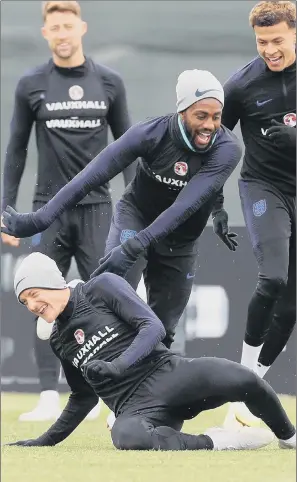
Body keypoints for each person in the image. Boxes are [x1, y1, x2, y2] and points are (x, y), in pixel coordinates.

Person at [1, 68, 242, 364]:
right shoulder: (150, 134)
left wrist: (135, 246)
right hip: (135, 217)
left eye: (216, 117)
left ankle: (140, 405)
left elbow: (185, 206)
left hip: (180, 239)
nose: (210, 125)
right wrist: (39, 219)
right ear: (182, 111)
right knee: (112, 302)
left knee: (161, 333)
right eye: (201, 116)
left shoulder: (228, 149)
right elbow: (90, 176)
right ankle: (76, 306)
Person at [5, 252, 296, 451]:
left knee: (244, 379)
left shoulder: (101, 288)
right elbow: (83, 397)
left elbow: (152, 328)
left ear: (50, 281)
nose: (31, 306)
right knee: (126, 436)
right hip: (135, 408)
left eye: (33, 295)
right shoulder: (58, 339)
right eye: (24, 303)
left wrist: (117, 365)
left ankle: (289, 436)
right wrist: (45, 441)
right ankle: (218, 441)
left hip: (170, 374)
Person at [1, 0, 136, 422]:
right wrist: (7, 211)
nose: (62, 33)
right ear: (46, 33)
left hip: (99, 210)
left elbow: (129, 147)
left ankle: (115, 397)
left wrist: (138, 206)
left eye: (68, 26)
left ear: (82, 28)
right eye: (54, 27)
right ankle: (46, 395)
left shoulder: (109, 82)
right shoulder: (31, 84)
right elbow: (17, 150)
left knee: (109, 300)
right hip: (47, 213)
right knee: (39, 300)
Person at [215, 1, 296, 427]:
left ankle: (254, 388)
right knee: (275, 278)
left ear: (294, 33)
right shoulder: (242, 85)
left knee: (291, 306)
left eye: (277, 40)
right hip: (264, 187)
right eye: (262, 42)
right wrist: (215, 205)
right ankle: (243, 377)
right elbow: (213, 146)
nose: (270, 49)